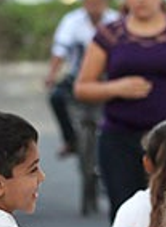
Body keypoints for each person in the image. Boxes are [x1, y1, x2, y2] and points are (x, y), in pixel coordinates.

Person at [74, 0, 166, 222]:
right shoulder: (109, 35)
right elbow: (82, 87)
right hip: (119, 139)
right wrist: (116, 87)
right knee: (124, 214)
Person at [44, 0, 118, 158]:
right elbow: (60, 50)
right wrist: (51, 75)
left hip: (108, 79)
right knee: (56, 97)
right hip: (77, 78)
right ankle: (70, 139)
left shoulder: (116, 22)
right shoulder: (71, 21)